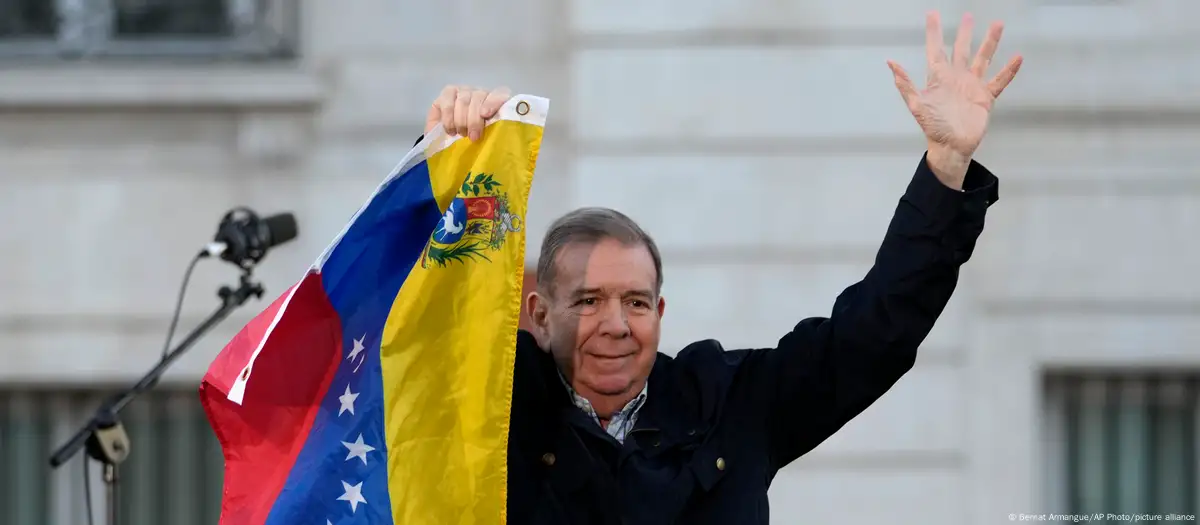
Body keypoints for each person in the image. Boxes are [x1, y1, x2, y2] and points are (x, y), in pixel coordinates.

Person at [418, 11, 1021, 525]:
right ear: (539, 317)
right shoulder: (491, 405)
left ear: (659, 313)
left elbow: (870, 337)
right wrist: (443, 171)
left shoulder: (727, 405)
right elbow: (412, 333)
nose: (615, 325)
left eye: (634, 302)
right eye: (587, 301)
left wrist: (945, 169)